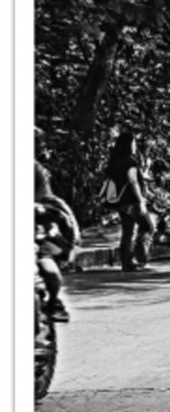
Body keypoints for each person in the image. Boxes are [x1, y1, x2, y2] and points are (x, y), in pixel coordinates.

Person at [34, 137, 79, 321]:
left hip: (33, 233)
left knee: (51, 274)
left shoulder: (35, 170)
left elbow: (47, 199)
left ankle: (53, 301)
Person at [101, 125, 153, 271]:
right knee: (147, 227)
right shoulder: (130, 162)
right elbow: (132, 180)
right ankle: (141, 259)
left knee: (127, 231)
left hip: (119, 202)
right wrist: (141, 200)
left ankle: (127, 262)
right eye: (134, 142)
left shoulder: (115, 161)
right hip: (131, 201)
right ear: (129, 144)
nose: (135, 145)